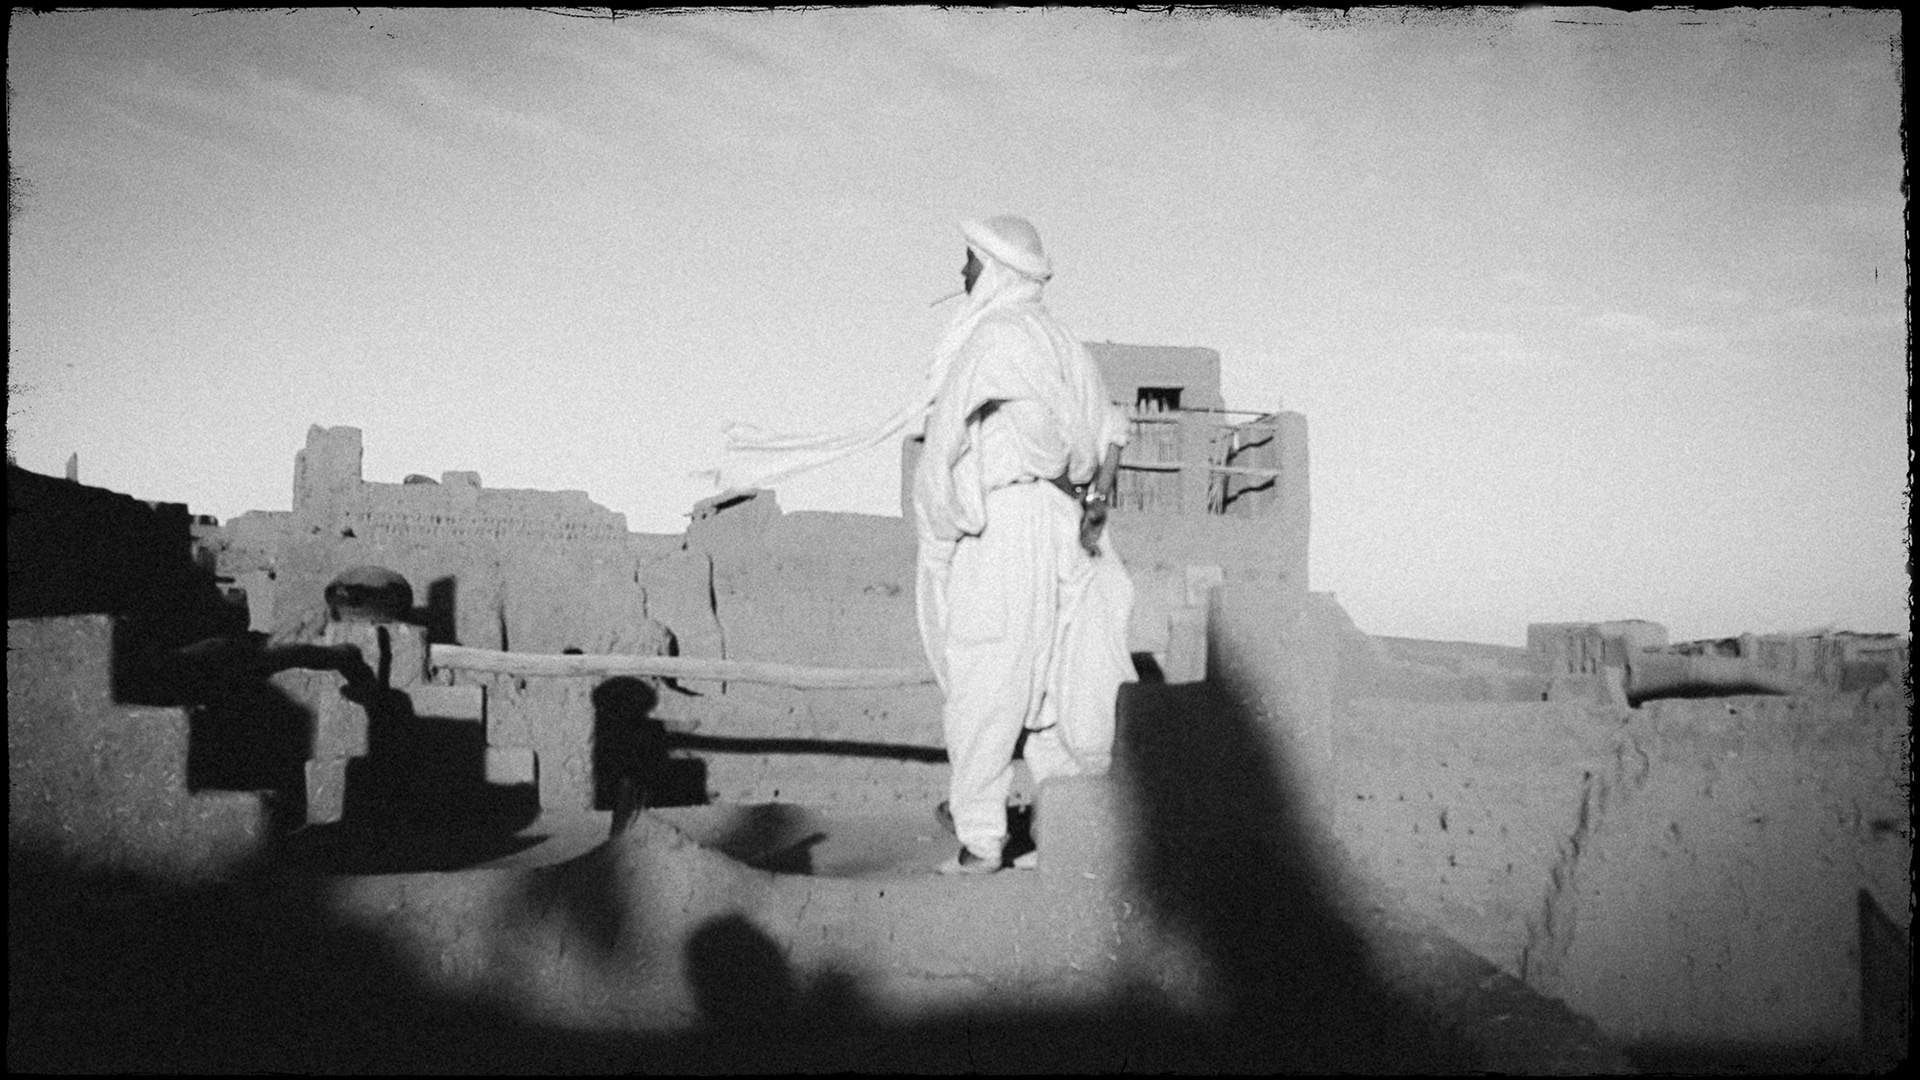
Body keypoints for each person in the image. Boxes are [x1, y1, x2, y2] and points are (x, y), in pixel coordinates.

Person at [912, 215, 1135, 875]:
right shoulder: (1060, 339)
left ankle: (981, 840)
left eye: (970, 261)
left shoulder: (1003, 334)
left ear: (997, 268)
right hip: (1061, 524)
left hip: (1010, 520)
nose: (961, 274)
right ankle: (1061, 832)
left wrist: (1051, 465)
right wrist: (1087, 485)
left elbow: (1048, 432)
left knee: (990, 668)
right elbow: (1110, 429)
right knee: (1045, 683)